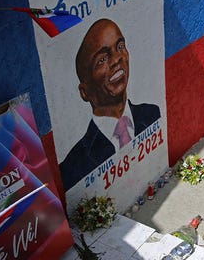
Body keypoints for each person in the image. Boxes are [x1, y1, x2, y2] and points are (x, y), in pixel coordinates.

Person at [59, 18, 160, 191]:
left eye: (120, 47)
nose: (116, 60)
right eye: (102, 60)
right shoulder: (73, 166)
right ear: (85, 92)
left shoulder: (151, 114)